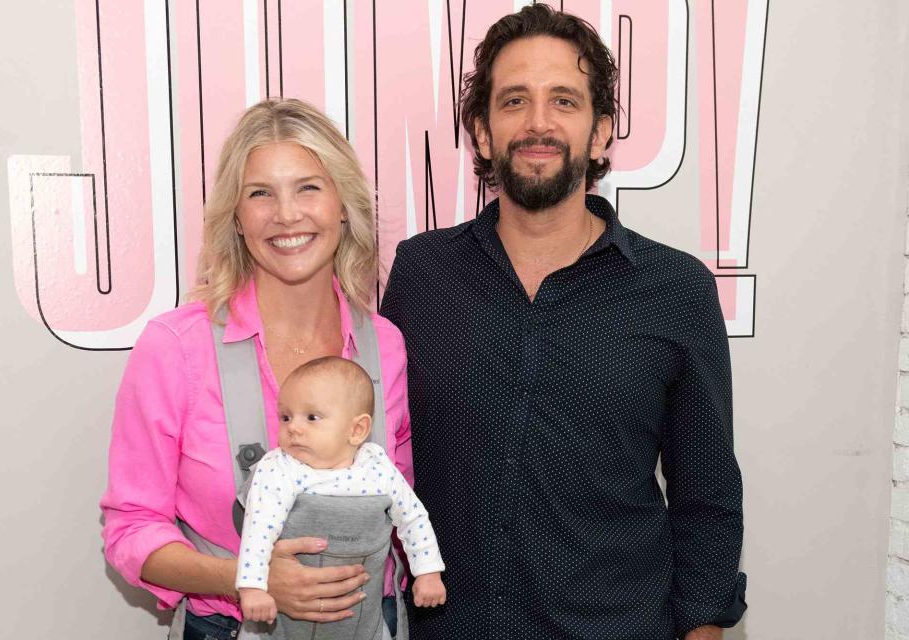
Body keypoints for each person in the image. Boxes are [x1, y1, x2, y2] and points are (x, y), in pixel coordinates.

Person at [379, 4, 746, 640]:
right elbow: (382, 456)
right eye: (515, 100)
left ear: (602, 132)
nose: (539, 123)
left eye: (565, 102)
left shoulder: (676, 288)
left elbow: (706, 492)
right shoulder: (423, 273)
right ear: (484, 132)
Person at [101, 98, 414, 640]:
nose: (287, 214)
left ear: (343, 205)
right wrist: (242, 577)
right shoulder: (175, 347)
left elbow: (398, 504)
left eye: (309, 187)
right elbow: (130, 528)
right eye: (260, 193)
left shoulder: (384, 346)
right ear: (238, 219)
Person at [236, 356, 446, 629]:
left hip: (361, 619)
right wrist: (252, 587)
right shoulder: (279, 468)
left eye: (312, 417)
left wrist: (428, 572)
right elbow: (258, 529)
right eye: (286, 417)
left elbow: (413, 517)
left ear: (357, 430)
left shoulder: (376, 467)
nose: (294, 428)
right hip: (285, 623)